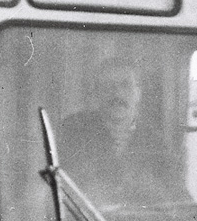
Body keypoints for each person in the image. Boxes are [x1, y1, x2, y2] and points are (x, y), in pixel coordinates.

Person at [57, 57, 159, 205]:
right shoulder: (74, 130)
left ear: (138, 93)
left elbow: (177, 196)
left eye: (125, 85)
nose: (117, 94)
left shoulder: (154, 141)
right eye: (107, 86)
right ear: (97, 93)